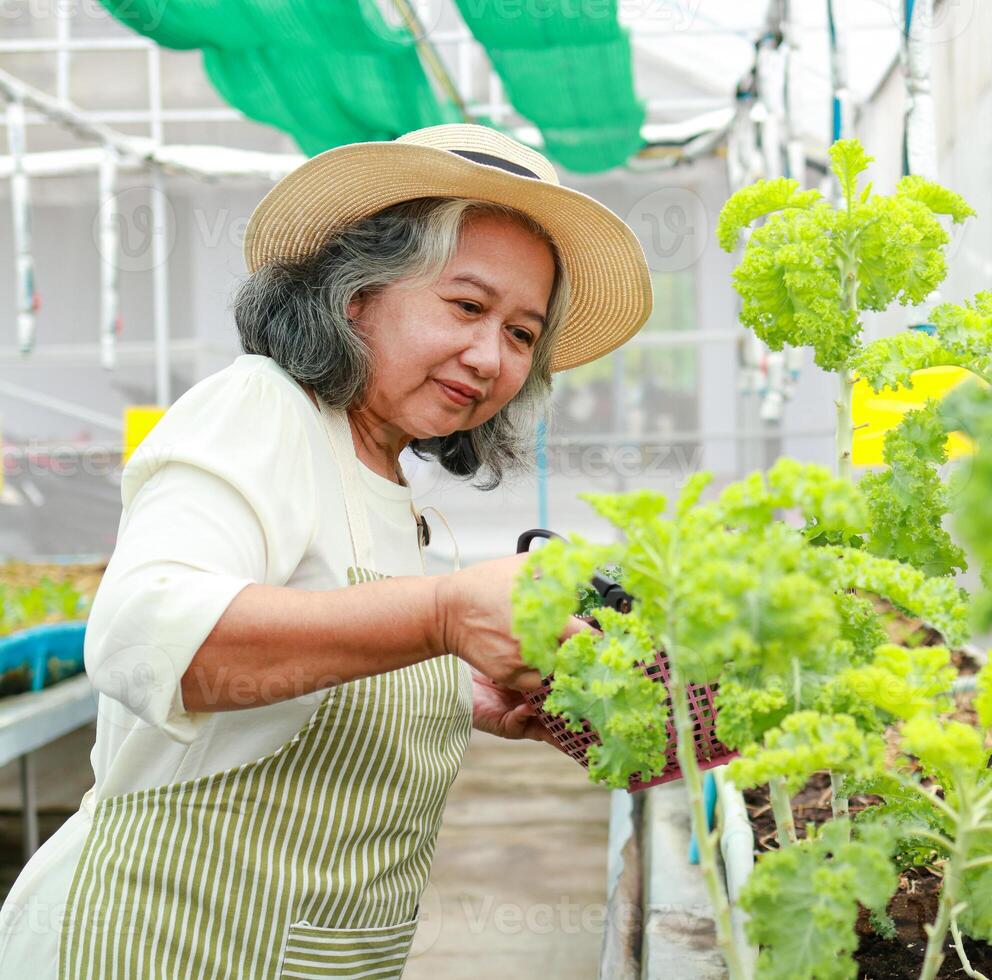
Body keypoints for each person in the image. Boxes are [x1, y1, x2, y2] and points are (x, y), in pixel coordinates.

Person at [0, 123, 652, 979]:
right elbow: (143, 635)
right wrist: (444, 612)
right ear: (357, 295)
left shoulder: (388, 481)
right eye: (466, 306)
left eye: (523, 334)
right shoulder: (261, 408)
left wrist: (457, 691)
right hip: (155, 947)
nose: (491, 356)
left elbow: (307, 665)